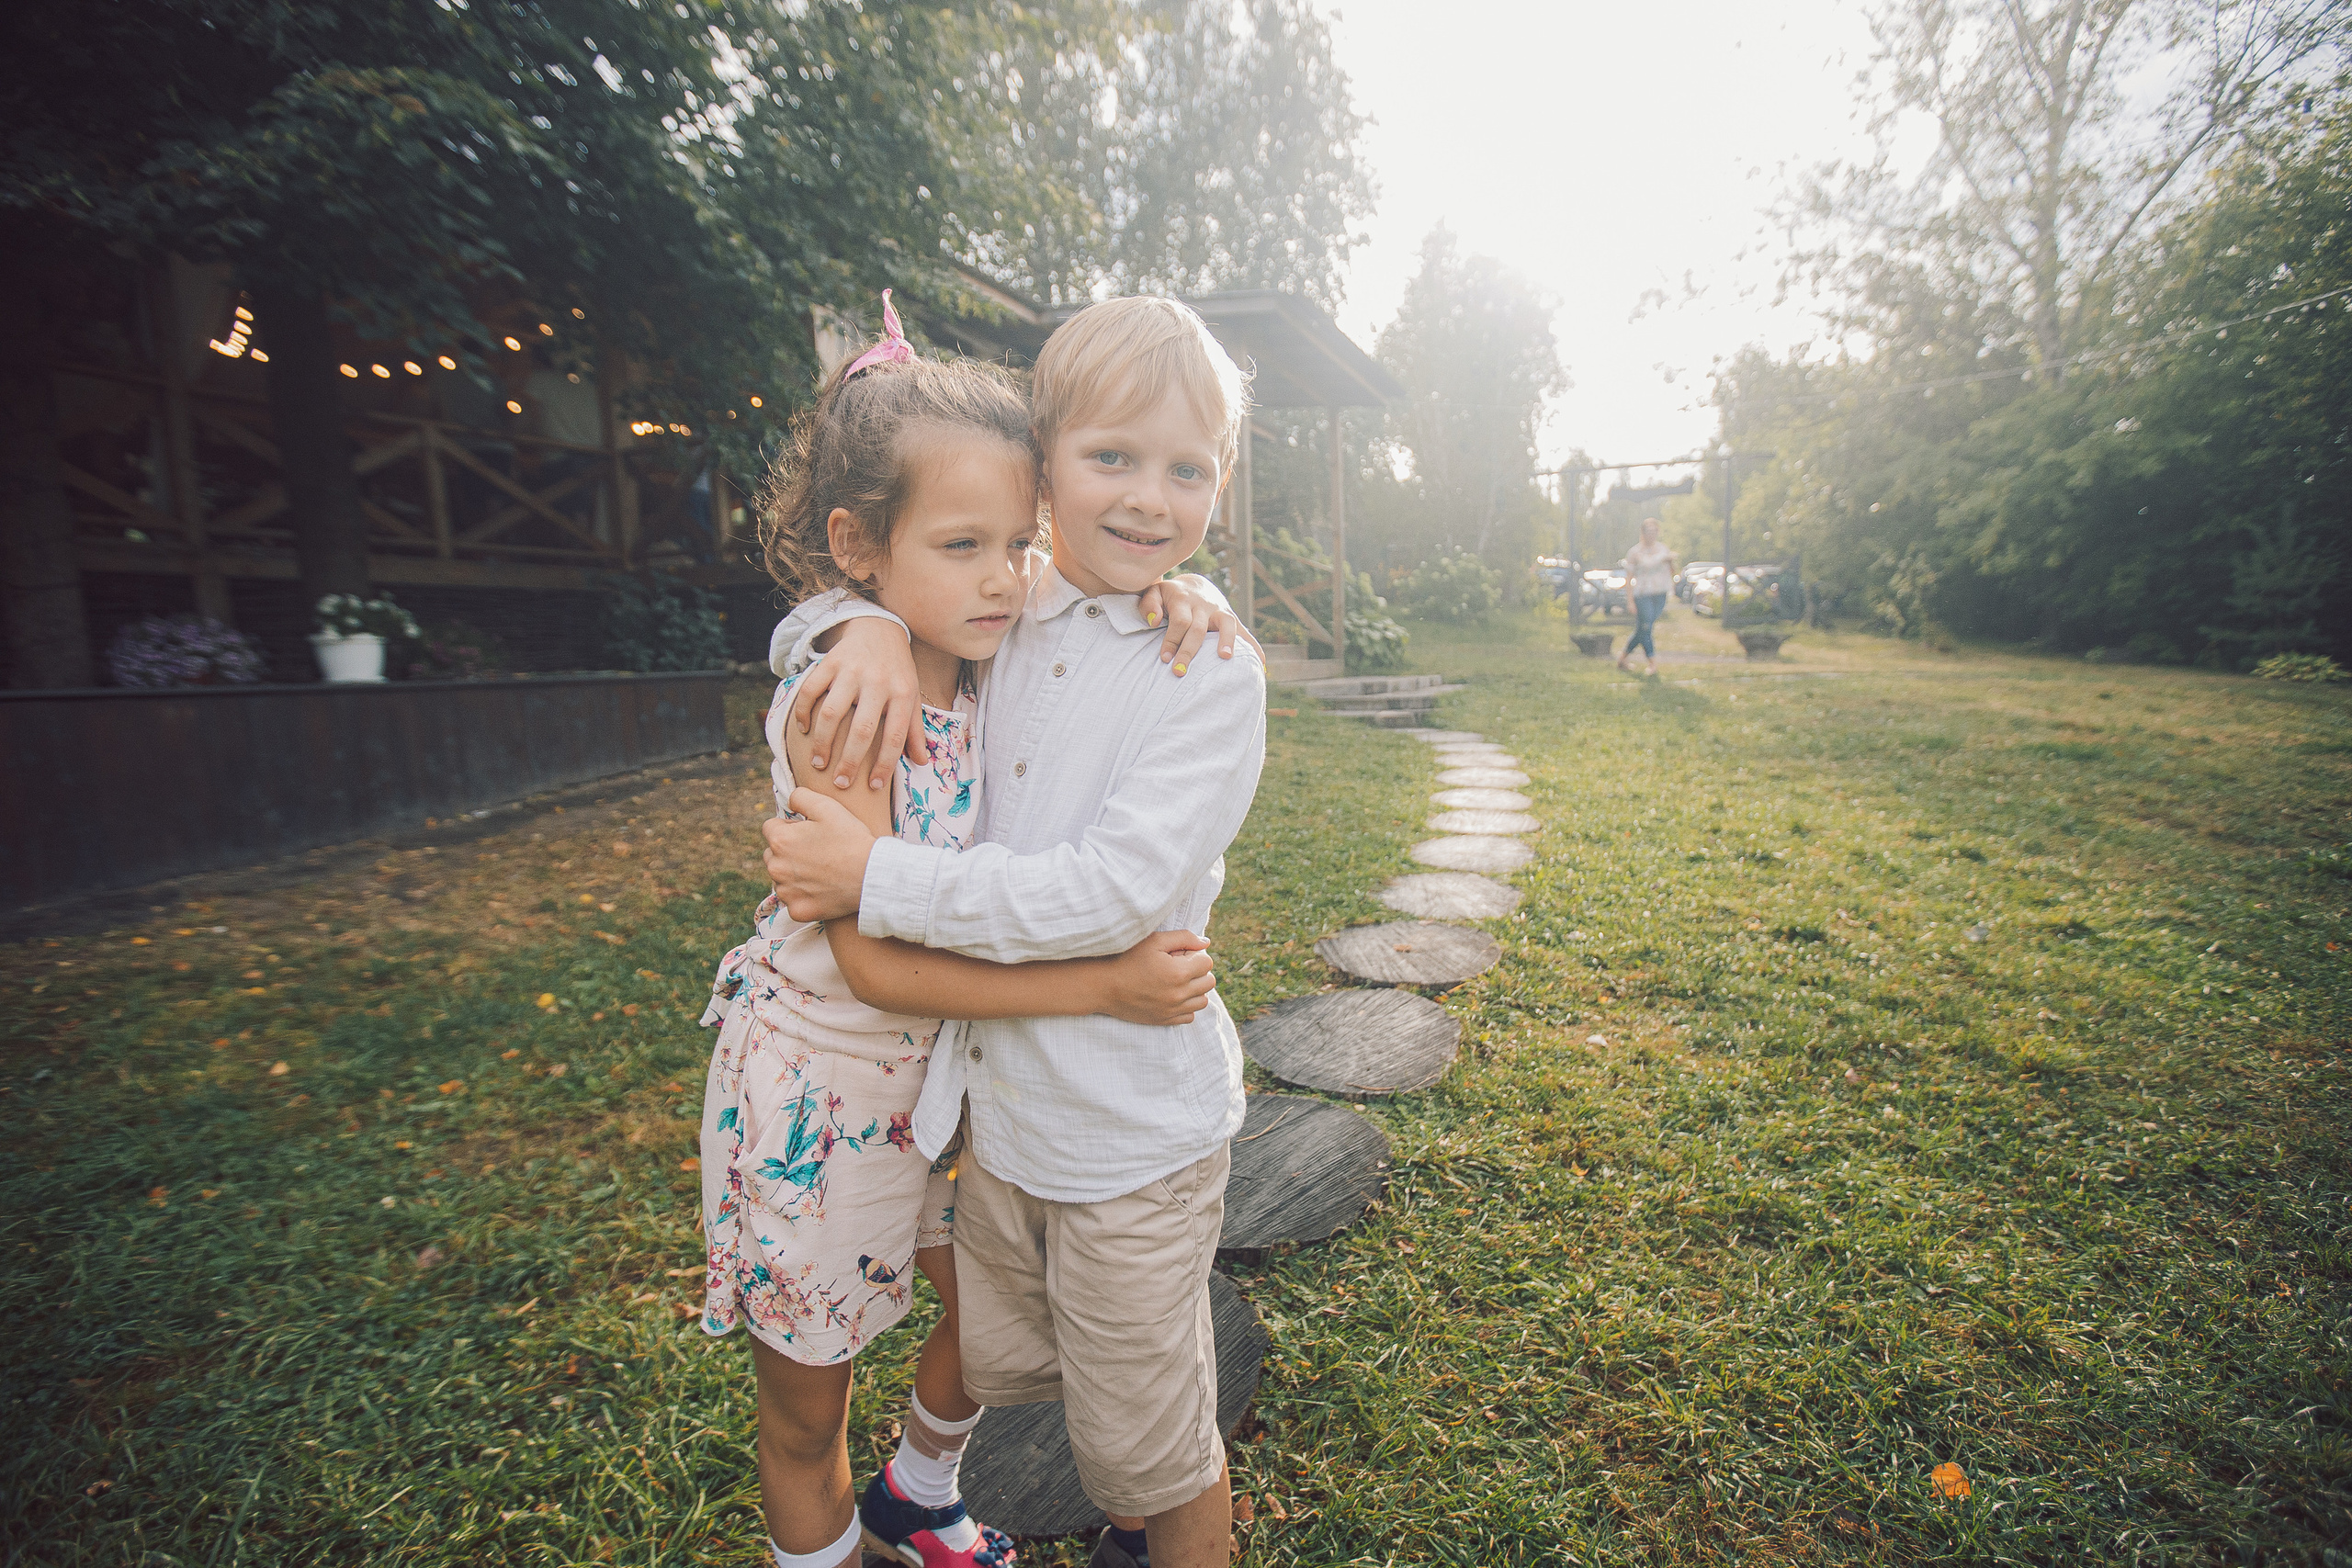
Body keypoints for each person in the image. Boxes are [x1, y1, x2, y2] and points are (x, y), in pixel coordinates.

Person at [697, 296, 1251, 1568]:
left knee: (992, 1321)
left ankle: (920, 1488)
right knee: (806, 1402)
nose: (1006, 576)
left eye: (1018, 539)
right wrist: (1103, 986)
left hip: (952, 1085)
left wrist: (1184, 582)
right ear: (860, 544)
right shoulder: (853, 696)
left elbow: (1094, 586)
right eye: (965, 545)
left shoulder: (982, 639)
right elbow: (874, 959)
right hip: (824, 1099)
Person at [1617, 515, 1677, 674]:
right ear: (1643, 532)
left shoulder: (1663, 549)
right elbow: (1629, 578)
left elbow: (1671, 572)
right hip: (1643, 594)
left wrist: (1671, 563)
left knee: (1642, 630)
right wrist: (1630, 600)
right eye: (1649, 531)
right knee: (1646, 627)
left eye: (1655, 531)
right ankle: (1653, 664)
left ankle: (1622, 658)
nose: (1652, 534)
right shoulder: (1635, 552)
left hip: (1660, 594)